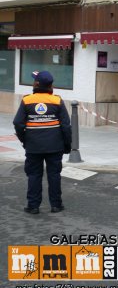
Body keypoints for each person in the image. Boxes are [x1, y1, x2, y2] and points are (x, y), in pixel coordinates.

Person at [13, 71, 72, 214]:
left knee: (34, 175)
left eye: (34, 80)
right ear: (51, 85)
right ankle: (56, 205)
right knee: (54, 175)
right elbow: (66, 125)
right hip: (55, 145)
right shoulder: (57, 100)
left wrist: (24, 139)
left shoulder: (27, 100)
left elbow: (18, 123)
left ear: (37, 84)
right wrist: (67, 145)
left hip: (33, 146)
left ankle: (33, 206)